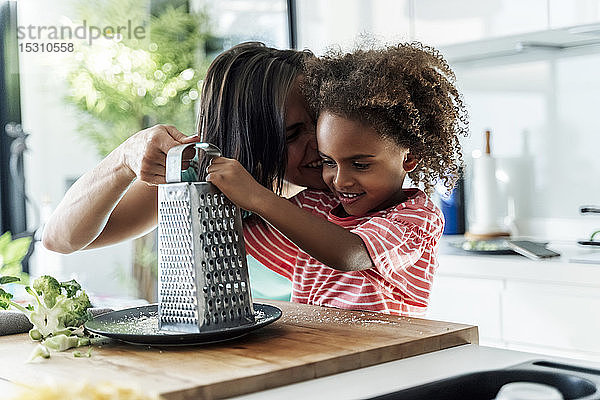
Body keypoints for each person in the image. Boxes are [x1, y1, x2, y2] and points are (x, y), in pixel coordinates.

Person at [205, 42, 469, 316]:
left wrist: (257, 196)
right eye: (329, 161)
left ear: (409, 158)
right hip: (323, 345)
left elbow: (349, 254)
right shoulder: (314, 206)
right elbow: (236, 233)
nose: (340, 181)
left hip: (389, 352)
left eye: (360, 164)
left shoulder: (417, 219)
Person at [42, 42, 327, 255]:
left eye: (323, 122)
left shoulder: (359, 176)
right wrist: (124, 159)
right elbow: (59, 238)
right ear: (249, 141)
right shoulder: (205, 172)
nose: (320, 143)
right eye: (291, 134)